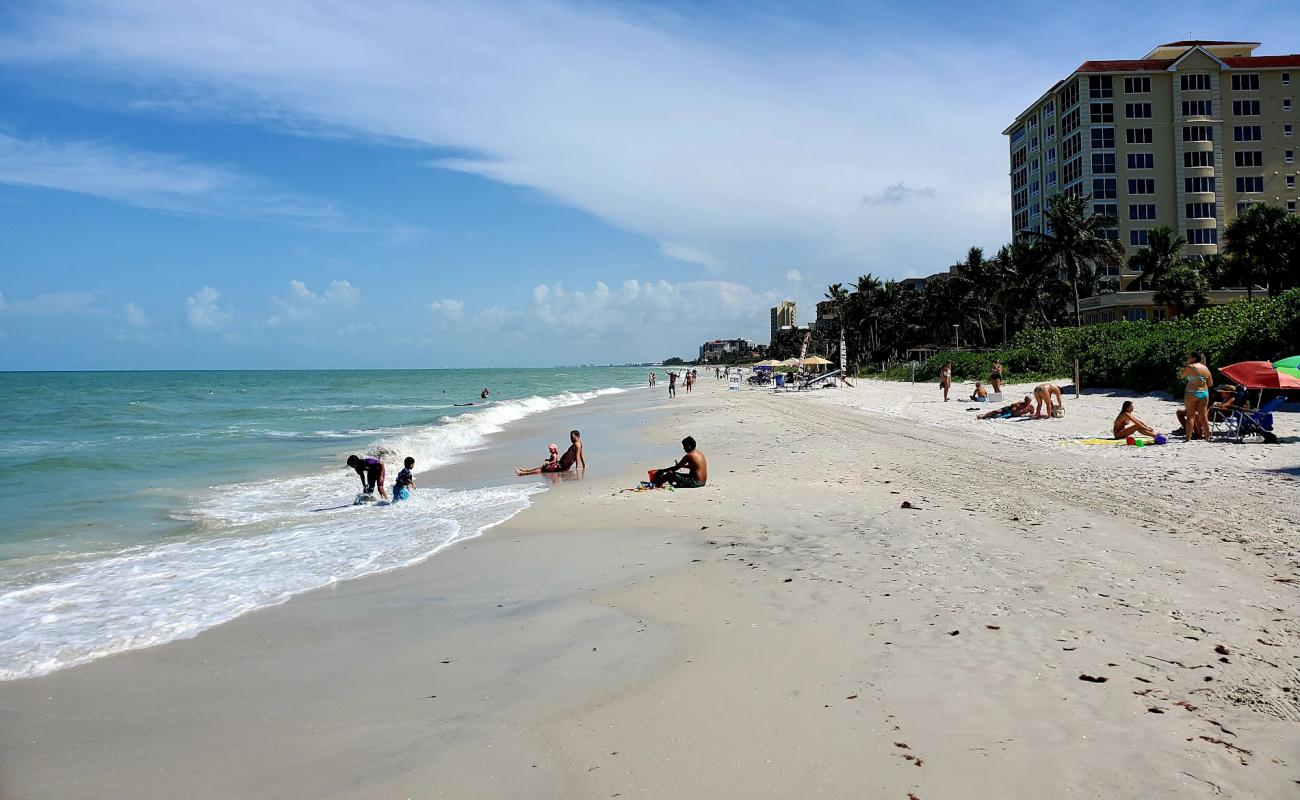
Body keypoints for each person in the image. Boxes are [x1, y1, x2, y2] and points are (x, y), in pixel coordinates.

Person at [1174, 385, 1244, 436]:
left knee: (1196, 414)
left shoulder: (1232, 399)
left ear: (1228, 392)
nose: (1221, 393)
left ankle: (1198, 434)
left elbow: (1224, 406)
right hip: (1212, 413)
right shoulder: (1224, 399)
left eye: (1223, 392)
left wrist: (1216, 404)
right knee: (1180, 411)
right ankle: (1186, 429)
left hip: (1218, 415)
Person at [516, 430, 586, 476]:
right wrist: (584, 466)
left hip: (562, 466)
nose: (571, 439)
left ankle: (523, 473)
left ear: (577, 436)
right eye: (570, 437)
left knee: (542, 469)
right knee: (543, 468)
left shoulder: (577, 445)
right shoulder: (578, 444)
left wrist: (578, 469)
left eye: (572, 437)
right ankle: (526, 471)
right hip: (561, 464)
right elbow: (581, 455)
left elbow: (577, 457)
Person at [1180, 354, 1213, 442]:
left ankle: (1188, 437)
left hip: (1191, 392)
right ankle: (1207, 437)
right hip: (1204, 393)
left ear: (1194, 358)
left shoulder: (1190, 367)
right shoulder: (1206, 368)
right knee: (1203, 416)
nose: (1187, 359)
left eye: (1189, 357)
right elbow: (1210, 383)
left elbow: (1181, 376)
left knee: (1190, 416)